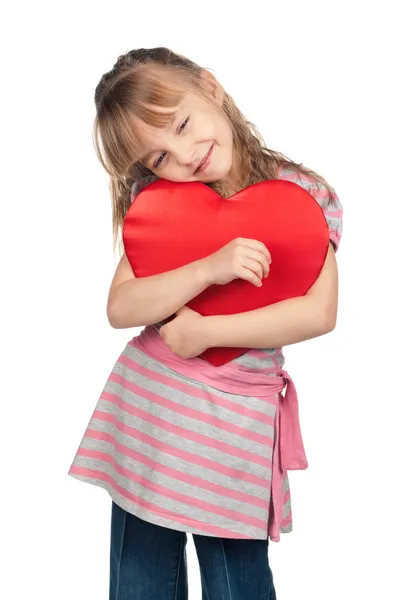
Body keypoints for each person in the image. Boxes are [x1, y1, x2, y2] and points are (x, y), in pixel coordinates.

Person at [68, 47, 343, 600]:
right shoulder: (162, 205)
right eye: (158, 158)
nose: (183, 155)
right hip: (152, 412)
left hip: (236, 425)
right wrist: (208, 268)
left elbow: (319, 312)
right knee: (140, 578)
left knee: (236, 580)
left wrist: (205, 333)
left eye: (183, 125)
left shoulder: (302, 195)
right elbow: (121, 307)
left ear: (210, 87)